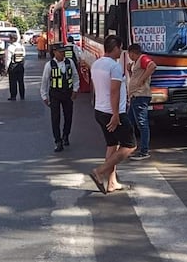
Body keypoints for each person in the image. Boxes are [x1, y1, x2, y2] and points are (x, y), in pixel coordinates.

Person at [88, 35, 136, 194]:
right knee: (130, 145)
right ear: (115, 48)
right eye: (120, 48)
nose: (121, 51)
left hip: (100, 110)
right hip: (113, 113)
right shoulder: (114, 67)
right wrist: (116, 114)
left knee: (112, 145)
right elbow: (114, 91)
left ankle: (112, 182)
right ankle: (100, 171)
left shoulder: (96, 64)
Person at [40, 44, 80, 152]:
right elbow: (45, 81)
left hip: (67, 93)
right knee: (55, 118)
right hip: (55, 94)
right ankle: (58, 141)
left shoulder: (69, 62)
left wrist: (75, 90)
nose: (63, 53)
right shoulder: (49, 65)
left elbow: (75, 76)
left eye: (63, 51)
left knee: (68, 116)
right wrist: (44, 96)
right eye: (60, 51)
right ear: (55, 52)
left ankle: (66, 135)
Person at [126, 43, 156, 161]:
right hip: (135, 96)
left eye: (130, 54)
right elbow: (135, 77)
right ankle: (130, 146)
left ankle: (144, 150)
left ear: (133, 52)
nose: (129, 56)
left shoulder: (143, 58)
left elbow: (152, 66)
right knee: (129, 122)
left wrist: (142, 80)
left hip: (140, 95)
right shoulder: (136, 63)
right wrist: (129, 71)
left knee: (142, 124)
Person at [5, 34, 26, 101]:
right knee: (21, 81)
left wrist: (6, 68)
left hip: (13, 66)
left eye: (10, 38)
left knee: (13, 82)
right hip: (20, 65)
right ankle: (22, 95)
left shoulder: (10, 47)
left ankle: (13, 96)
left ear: (12, 39)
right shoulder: (21, 46)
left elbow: (8, 59)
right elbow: (24, 56)